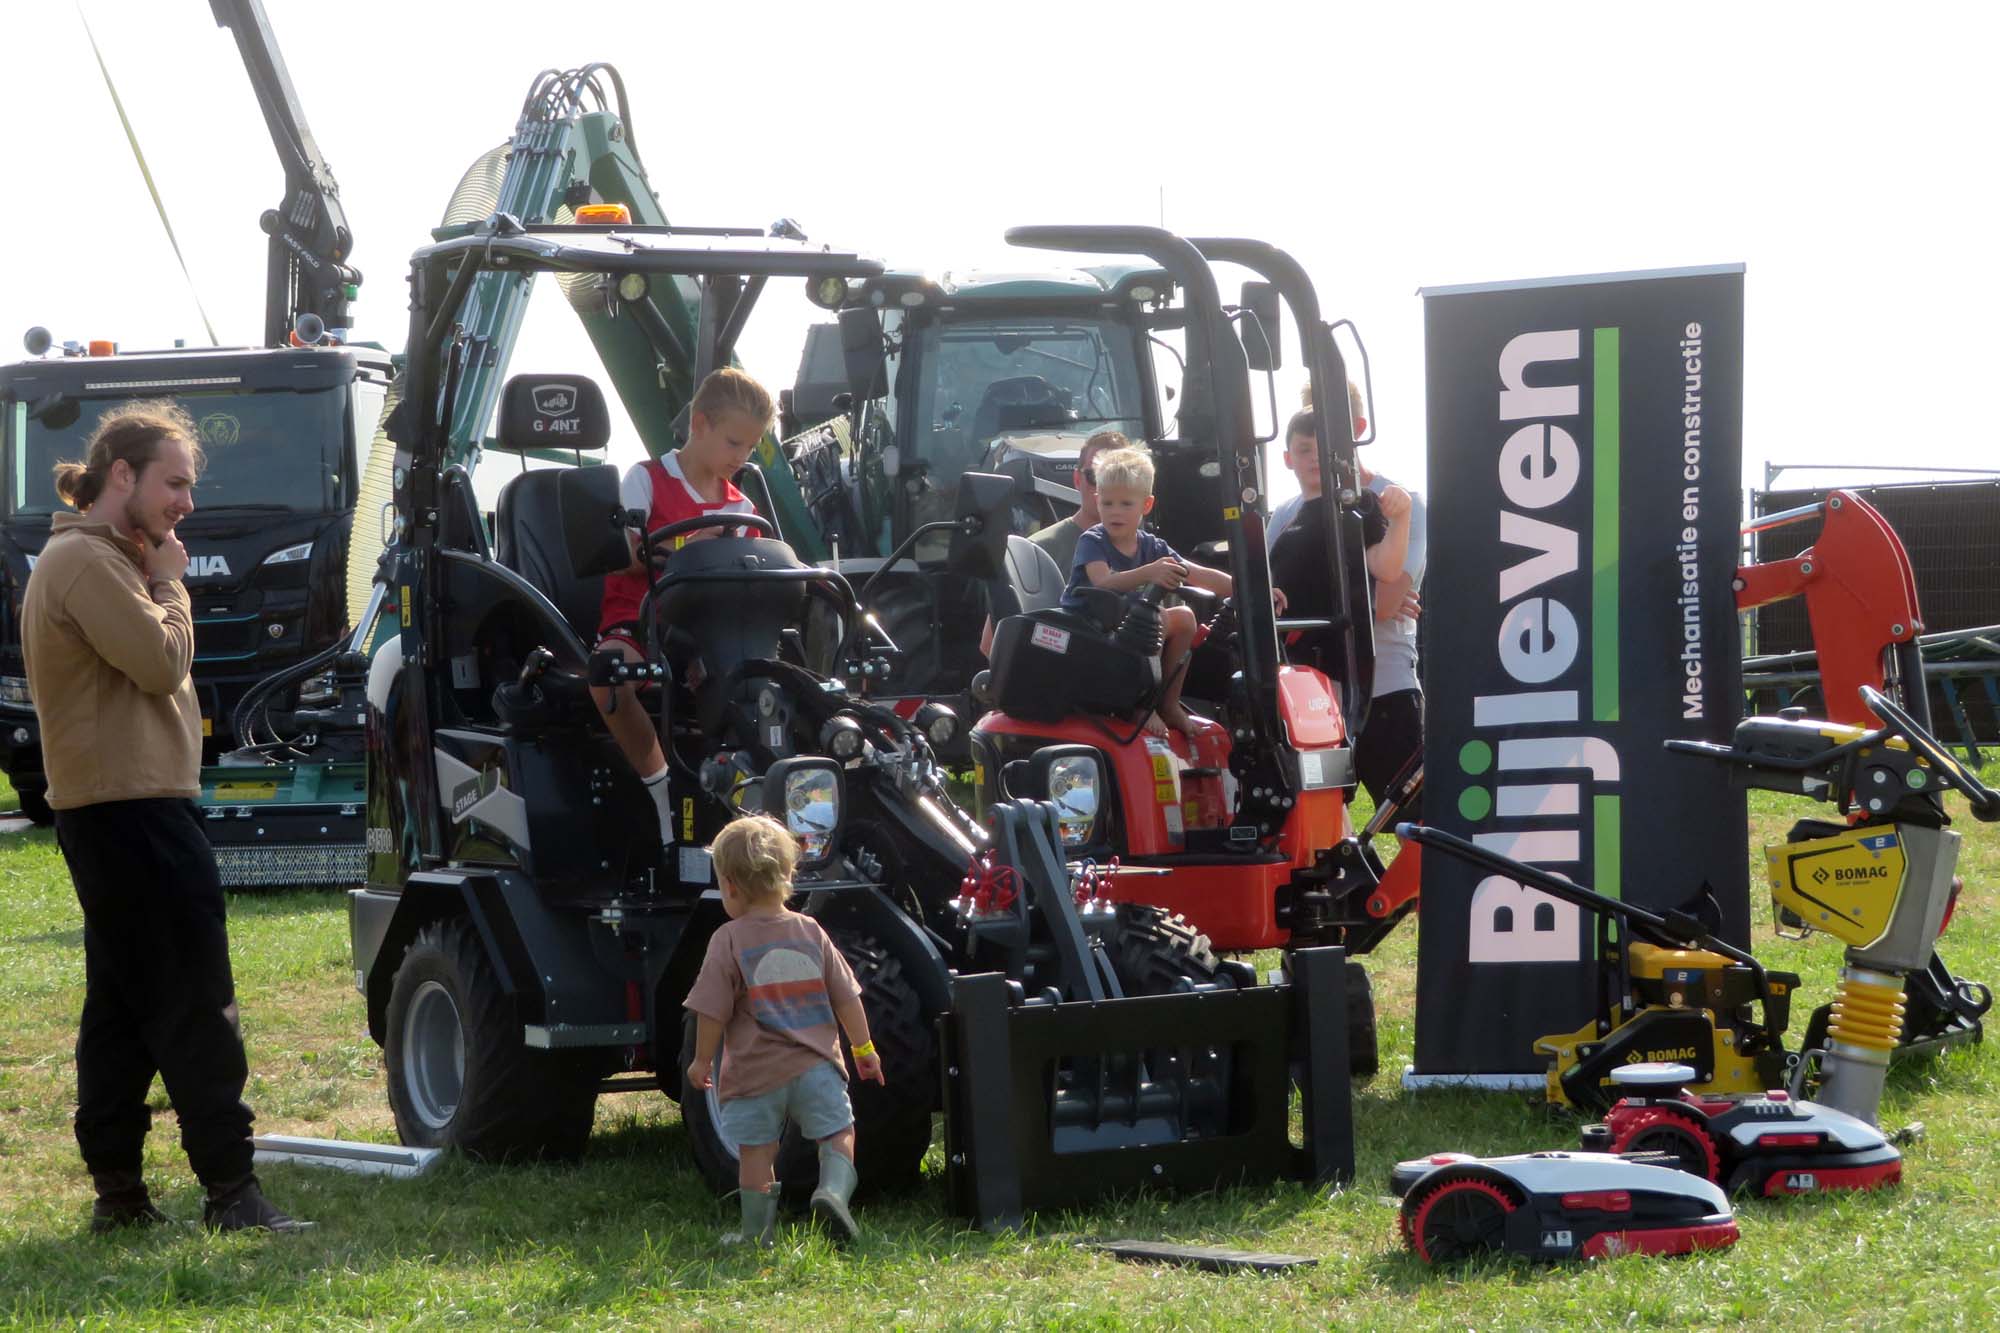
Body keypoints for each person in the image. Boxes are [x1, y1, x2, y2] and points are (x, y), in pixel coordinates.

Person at [21, 401, 307, 1233]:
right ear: (122, 475)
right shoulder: (88, 562)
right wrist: (170, 579)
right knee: (193, 997)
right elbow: (157, 659)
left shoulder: (97, 557)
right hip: (133, 812)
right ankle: (231, 1189)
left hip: (119, 810)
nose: (186, 501)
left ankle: (120, 1193)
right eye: (174, 482)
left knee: (120, 1007)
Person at [683, 814, 884, 1247]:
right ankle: (831, 1191)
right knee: (838, 1133)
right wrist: (864, 1047)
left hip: (756, 1074)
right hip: (817, 1067)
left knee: (758, 1152)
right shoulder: (811, 931)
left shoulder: (728, 939)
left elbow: (711, 1009)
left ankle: (757, 1235)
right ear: (789, 875)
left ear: (731, 885)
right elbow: (847, 996)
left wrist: (701, 1060)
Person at [593, 368, 771, 852]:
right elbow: (626, 554)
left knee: (777, 686)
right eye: (734, 443)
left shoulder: (742, 508)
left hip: (710, 634)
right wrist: (691, 545)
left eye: (751, 448)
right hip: (641, 621)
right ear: (700, 424)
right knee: (608, 676)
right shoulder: (645, 480)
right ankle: (662, 792)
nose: (742, 457)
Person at [1266, 399, 1426, 812]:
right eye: (1303, 449)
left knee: (1410, 813)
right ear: (1286, 458)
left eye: (1323, 447)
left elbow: (1386, 573)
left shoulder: (1365, 507)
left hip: (1374, 686)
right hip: (1310, 694)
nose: (1314, 458)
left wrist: (1403, 518)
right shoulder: (1282, 519)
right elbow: (1267, 592)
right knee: (1321, 810)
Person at [1061, 446, 1233, 737]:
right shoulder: (1092, 540)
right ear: (1097, 500)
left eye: (1126, 504)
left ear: (1146, 505)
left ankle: (1168, 703)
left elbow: (1199, 575)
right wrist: (1149, 573)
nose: (1115, 511)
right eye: (1108, 503)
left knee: (1185, 618)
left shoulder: (1152, 546)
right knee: (1154, 619)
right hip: (1089, 631)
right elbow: (1102, 582)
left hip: (1128, 628)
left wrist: (1256, 589)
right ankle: (1140, 705)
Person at [978, 429, 1121, 658]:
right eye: (1095, 476)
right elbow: (992, 643)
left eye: (1118, 476)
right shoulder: (1037, 553)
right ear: (1077, 479)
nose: (1105, 487)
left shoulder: (1149, 552)